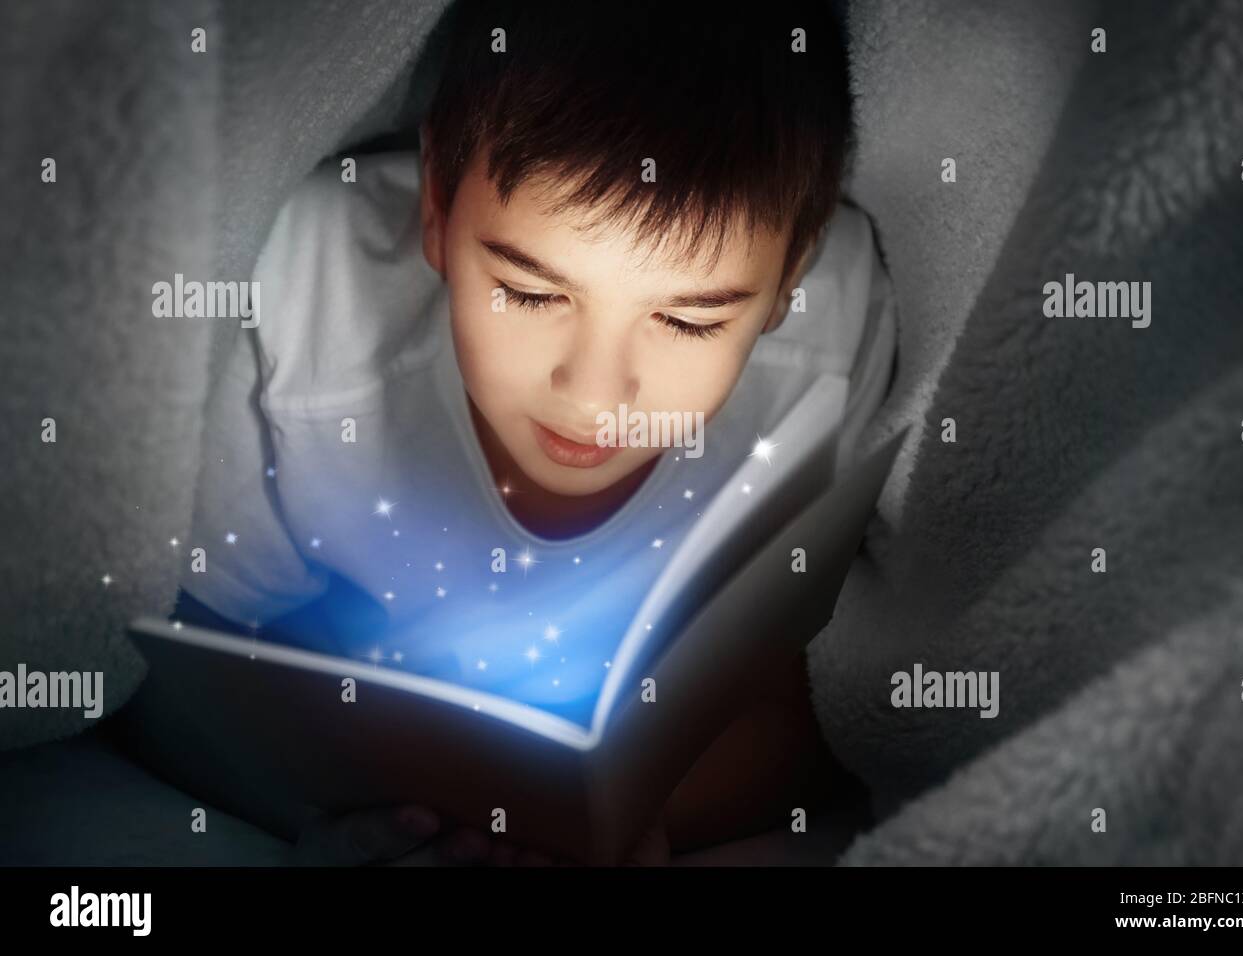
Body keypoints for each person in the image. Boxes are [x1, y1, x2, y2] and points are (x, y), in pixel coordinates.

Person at [168, 0, 896, 864]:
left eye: (689, 321)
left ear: (791, 274)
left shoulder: (836, 329)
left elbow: (810, 701)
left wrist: (636, 830)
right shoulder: (312, 302)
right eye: (532, 292)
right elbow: (187, 669)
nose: (593, 398)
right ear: (436, 204)